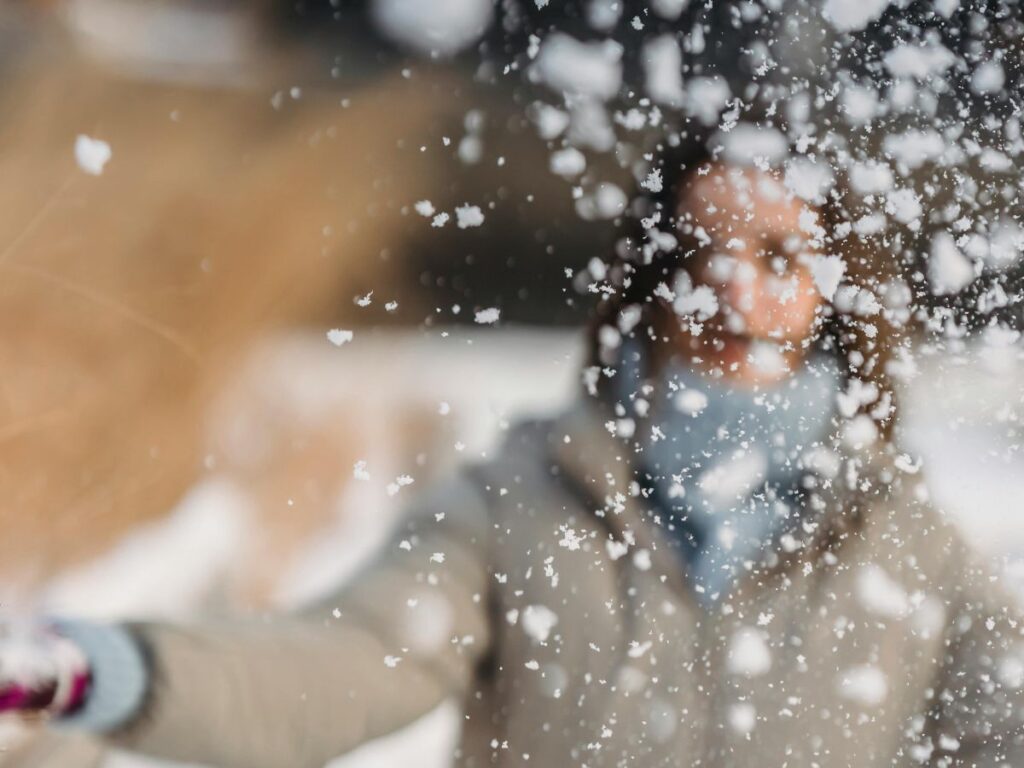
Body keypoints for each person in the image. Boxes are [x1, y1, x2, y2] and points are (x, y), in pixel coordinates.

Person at [3, 143, 1023, 768]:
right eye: (696, 254)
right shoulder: (514, 510)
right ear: (649, 287)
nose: (733, 292)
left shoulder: (906, 548)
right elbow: (338, 669)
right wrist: (95, 674)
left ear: (834, 294)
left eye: (776, 256)